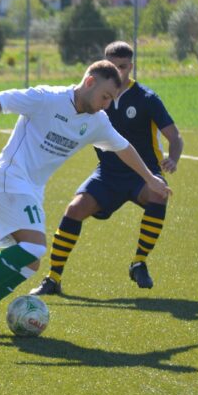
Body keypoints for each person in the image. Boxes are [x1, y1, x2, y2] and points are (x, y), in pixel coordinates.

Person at [0, 60, 172, 335]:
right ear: (90, 82)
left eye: (112, 100)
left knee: (30, 263)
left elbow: (124, 148)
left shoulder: (97, 121)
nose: (106, 105)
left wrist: (150, 179)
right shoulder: (47, 98)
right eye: (105, 96)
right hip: (9, 179)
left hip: (31, 189)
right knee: (34, 248)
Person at [29, 41, 183, 296]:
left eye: (123, 67)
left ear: (131, 67)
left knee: (159, 193)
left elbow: (174, 137)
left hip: (141, 173)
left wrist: (174, 159)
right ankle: (53, 279)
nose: (118, 72)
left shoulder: (146, 99)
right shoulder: (94, 97)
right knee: (74, 209)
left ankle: (139, 262)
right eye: (112, 66)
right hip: (108, 174)